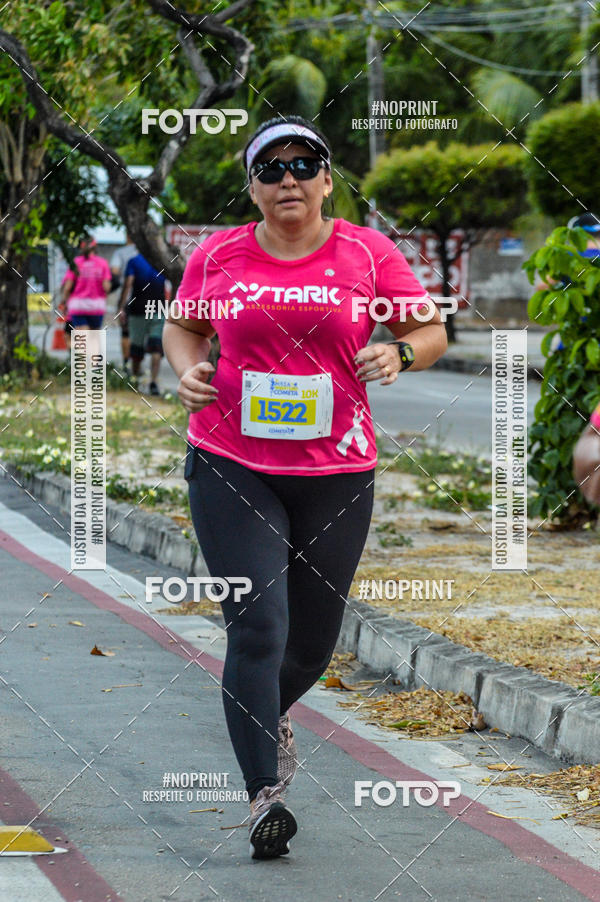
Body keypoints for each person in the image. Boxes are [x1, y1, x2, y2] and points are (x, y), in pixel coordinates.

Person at [162, 114, 448, 860]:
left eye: (303, 165)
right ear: (252, 186)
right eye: (270, 169)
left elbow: (428, 328)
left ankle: (256, 711)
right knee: (258, 626)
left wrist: (400, 355)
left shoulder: (366, 251)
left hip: (337, 473)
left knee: (313, 646)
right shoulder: (219, 256)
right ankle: (264, 798)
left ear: (327, 178)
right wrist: (186, 368)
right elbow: (184, 327)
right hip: (232, 462)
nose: (287, 179)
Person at [118, 252, 167, 396]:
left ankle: (135, 382)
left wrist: (121, 307)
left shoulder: (134, 261)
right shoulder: (161, 259)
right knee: (156, 346)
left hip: (138, 309)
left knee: (136, 349)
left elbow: (128, 284)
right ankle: (153, 382)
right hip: (158, 308)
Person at [61, 237, 111, 348]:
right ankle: (94, 364)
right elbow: (106, 287)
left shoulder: (76, 263)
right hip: (96, 306)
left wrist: (64, 302)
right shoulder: (103, 263)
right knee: (94, 339)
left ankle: (82, 363)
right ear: (95, 248)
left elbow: (67, 287)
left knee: (82, 341)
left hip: (78, 305)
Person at [110, 234, 138, 374]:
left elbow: (115, 272)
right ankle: (137, 365)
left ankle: (127, 364)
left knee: (125, 332)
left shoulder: (120, 253)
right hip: (147, 298)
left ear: (127, 236)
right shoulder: (148, 254)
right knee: (140, 331)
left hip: (126, 298)